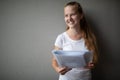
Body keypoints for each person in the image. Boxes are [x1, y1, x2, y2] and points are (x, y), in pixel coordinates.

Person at [52, 1, 98, 80]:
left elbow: (94, 59)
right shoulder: (61, 38)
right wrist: (57, 69)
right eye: (66, 15)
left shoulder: (89, 37)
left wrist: (92, 64)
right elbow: (54, 60)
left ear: (81, 15)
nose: (69, 18)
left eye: (72, 14)